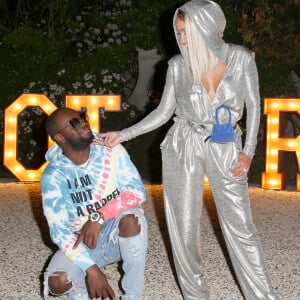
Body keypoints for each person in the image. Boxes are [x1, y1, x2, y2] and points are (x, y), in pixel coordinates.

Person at [97, 1, 276, 299]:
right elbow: (163, 113)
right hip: (183, 143)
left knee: (241, 226)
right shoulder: (178, 66)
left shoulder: (241, 58)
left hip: (225, 143)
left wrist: (248, 151)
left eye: (186, 32)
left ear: (207, 28)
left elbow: (255, 105)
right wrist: (122, 133)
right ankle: (195, 295)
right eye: (178, 32)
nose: (181, 39)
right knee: (183, 227)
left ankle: (261, 296)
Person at [41, 107, 148, 300]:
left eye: (82, 117)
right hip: (81, 240)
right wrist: (91, 269)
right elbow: (58, 229)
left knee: (133, 218)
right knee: (57, 283)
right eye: (74, 123)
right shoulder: (53, 175)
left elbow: (136, 192)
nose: (83, 123)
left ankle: (133, 295)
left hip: (117, 232)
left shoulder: (110, 150)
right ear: (60, 138)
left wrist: (98, 217)